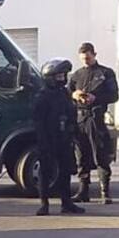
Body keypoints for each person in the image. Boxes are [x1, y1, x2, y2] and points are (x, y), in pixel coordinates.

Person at [33, 58, 86, 216]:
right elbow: (39, 121)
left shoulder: (64, 93)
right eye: (58, 76)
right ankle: (44, 204)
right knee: (46, 171)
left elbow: (70, 113)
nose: (62, 79)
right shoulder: (42, 96)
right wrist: (43, 141)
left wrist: (73, 131)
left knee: (65, 171)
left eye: (63, 76)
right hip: (49, 138)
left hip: (64, 138)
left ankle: (67, 203)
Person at [69, 42, 119, 204]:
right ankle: (83, 191)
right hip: (80, 118)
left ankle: (105, 191)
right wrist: (75, 95)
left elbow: (114, 96)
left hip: (96, 118)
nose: (86, 61)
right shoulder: (76, 75)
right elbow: (67, 93)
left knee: (100, 155)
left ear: (94, 55)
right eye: (83, 59)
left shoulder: (105, 73)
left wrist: (96, 98)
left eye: (88, 58)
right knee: (81, 156)